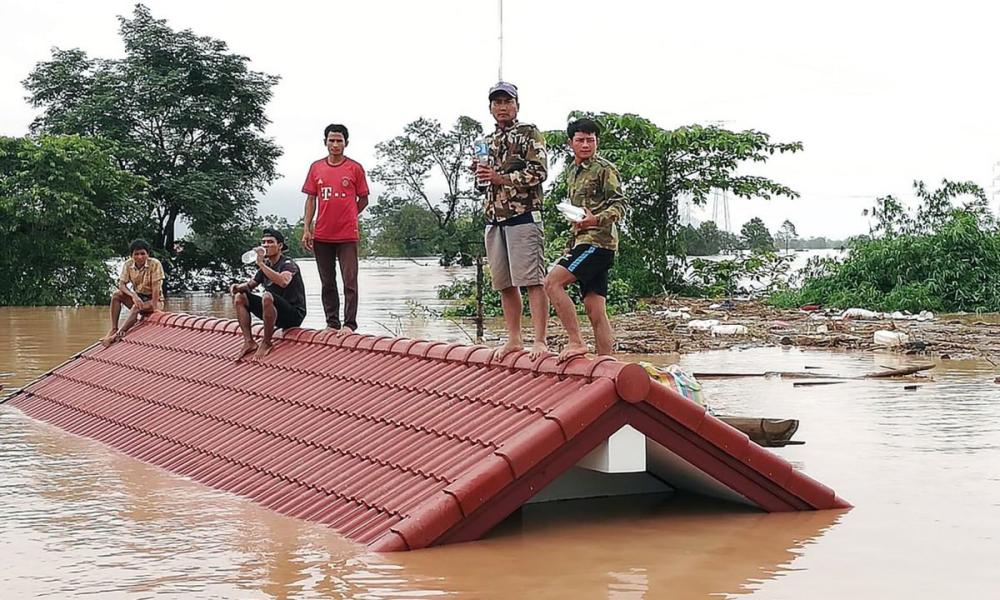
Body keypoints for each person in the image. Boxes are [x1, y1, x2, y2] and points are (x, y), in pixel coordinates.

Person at [476, 81, 549, 359]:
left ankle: (540, 340)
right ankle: (514, 338)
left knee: (532, 280)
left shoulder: (529, 133)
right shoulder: (486, 141)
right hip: (494, 219)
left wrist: (501, 178)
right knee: (504, 283)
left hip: (523, 216)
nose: (502, 107)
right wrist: (481, 174)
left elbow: (539, 173)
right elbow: (482, 185)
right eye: (497, 102)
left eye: (507, 102)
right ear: (491, 108)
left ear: (517, 105)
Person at [544, 118, 626, 361]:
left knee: (552, 283)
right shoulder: (572, 172)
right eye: (580, 140)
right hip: (582, 242)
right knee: (594, 309)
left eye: (591, 140)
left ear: (597, 142)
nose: (586, 144)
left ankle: (576, 342)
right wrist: (572, 238)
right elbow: (577, 212)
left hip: (598, 243)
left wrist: (595, 220)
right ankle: (605, 362)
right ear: (571, 143)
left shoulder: (604, 169)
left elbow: (620, 204)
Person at [301, 123, 370, 334]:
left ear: (346, 143)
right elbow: (311, 200)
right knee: (327, 282)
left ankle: (349, 324)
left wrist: (349, 215)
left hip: (347, 235)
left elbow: (364, 199)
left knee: (350, 280)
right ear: (325, 143)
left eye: (339, 140)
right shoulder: (316, 168)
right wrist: (307, 228)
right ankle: (332, 323)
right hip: (322, 234)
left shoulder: (355, 168)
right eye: (331, 140)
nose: (335, 144)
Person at [230, 228, 307, 360]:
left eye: (270, 242)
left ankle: (267, 342)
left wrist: (261, 264)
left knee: (266, 296)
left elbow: (283, 281)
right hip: (273, 310)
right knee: (240, 297)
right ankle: (249, 341)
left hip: (293, 314)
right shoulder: (266, 265)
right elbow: (250, 285)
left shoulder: (288, 264)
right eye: (264, 242)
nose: (266, 245)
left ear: (280, 246)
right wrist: (237, 287)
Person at [101, 239, 164, 347]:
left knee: (136, 307)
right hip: (138, 297)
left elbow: (156, 288)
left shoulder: (155, 264)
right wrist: (133, 295)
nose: (140, 257)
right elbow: (121, 285)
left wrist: (154, 307)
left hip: (154, 299)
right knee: (116, 295)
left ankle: (116, 336)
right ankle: (113, 328)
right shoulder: (128, 264)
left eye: (143, 254)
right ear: (131, 255)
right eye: (136, 254)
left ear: (147, 254)